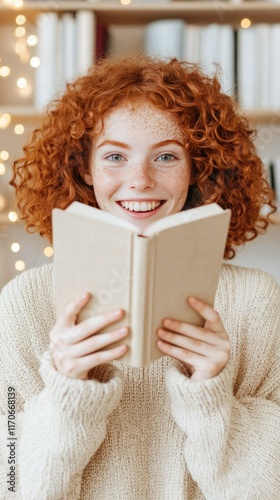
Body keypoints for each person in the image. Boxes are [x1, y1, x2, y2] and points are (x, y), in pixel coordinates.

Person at [1, 54, 279, 499]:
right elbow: (12, 482)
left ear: (197, 168)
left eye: (166, 156)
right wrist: (67, 395)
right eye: (115, 156)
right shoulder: (25, 301)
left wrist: (211, 399)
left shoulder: (255, 299)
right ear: (85, 169)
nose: (140, 180)